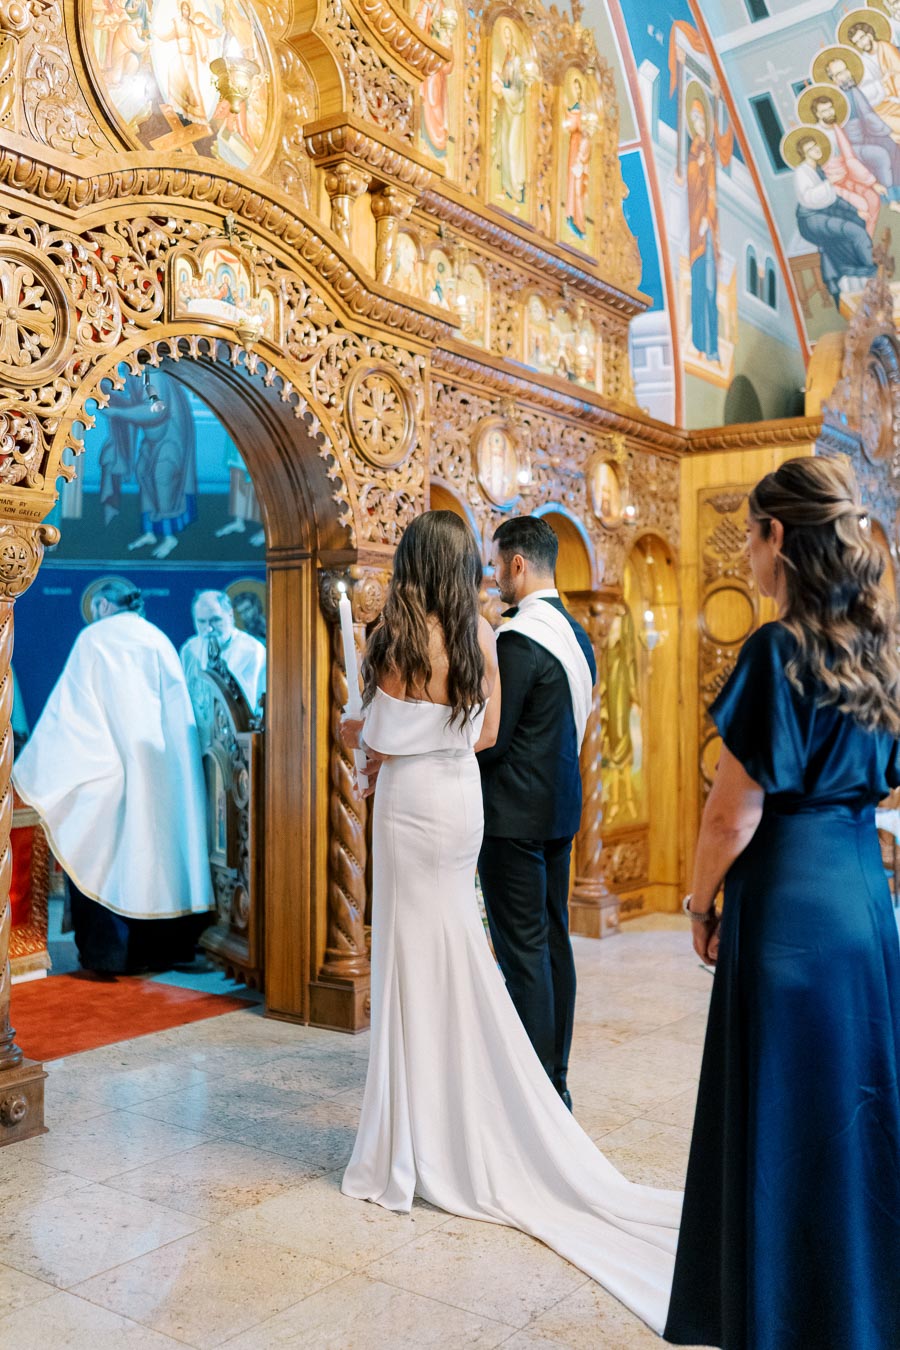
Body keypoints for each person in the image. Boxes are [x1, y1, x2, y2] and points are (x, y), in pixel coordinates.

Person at [340, 511, 680, 1334]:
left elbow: (374, 729)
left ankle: (416, 1134)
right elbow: (486, 731)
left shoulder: (392, 639)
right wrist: (433, 733)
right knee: (463, 956)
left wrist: (368, 731)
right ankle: (480, 1107)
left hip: (414, 811)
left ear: (413, 563)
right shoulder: (484, 636)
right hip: (462, 811)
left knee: (413, 966)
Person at [665, 458, 900, 1349]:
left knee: (784, 1114)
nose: (749, 557)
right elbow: (883, 790)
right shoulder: (877, 653)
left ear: (777, 539)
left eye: (751, 537)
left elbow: (732, 812)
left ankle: (781, 1316)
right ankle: (861, 1311)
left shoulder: (777, 649)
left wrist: (697, 902)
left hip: (791, 909)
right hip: (862, 904)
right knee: (858, 1103)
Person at [13, 580, 214, 974]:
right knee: (158, 852)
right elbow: (179, 717)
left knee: (102, 849)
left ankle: (109, 955)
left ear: (103, 604)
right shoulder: (158, 638)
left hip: (106, 774)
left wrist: (28, 773)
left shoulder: (94, 638)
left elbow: (70, 716)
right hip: (161, 773)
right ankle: (159, 951)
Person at [476, 516, 595, 1110]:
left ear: (517, 564)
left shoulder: (519, 637)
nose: (494, 575)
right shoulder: (576, 633)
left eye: (497, 563)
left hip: (511, 818)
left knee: (521, 951)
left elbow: (493, 739)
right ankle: (558, 1077)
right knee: (553, 943)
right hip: (560, 809)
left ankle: (533, 1095)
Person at [180, 589, 266, 713]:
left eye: (215, 620)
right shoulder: (189, 650)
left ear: (230, 615)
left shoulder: (254, 652)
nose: (208, 628)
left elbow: (262, 707)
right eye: (201, 621)